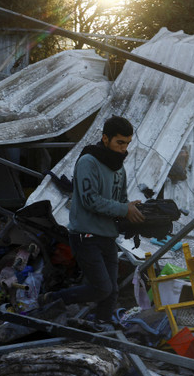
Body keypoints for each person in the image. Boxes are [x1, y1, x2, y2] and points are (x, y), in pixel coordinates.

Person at [40, 116, 144, 323]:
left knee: (112, 291)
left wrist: (134, 210)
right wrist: (124, 209)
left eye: (127, 144)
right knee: (101, 288)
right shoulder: (88, 161)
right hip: (85, 235)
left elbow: (121, 200)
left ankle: (102, 329)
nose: (124, 149)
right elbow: (90, 200)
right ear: (106, 139)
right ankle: (52, 298)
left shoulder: (119, 168)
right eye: (120, 142)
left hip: (107, 236)